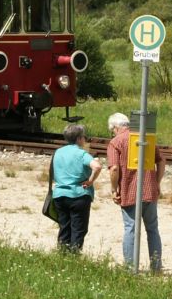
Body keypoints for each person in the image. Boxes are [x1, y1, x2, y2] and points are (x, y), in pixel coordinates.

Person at [106, 111, 164, 273]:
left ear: (116, 128)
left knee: (130, 228)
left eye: (112, 130)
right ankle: (156, 267)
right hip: (149, 191)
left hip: (129, 191)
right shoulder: (145, 137)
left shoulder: (115, 142)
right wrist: (157, 183)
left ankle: (130, 268)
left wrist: (114, 188)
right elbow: (161, 160)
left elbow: (114, 169)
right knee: (152, 229)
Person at [49, 122, 100, 253]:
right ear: (78, 138)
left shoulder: (58, 152)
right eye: (84, 136)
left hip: (60, 195)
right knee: (78, 229)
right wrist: (90, 181)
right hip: (79, 195)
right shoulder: (81, 153)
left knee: (64, 228)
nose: (85, 139)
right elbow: (97, 166)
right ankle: (74, 256)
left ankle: (62, 254)